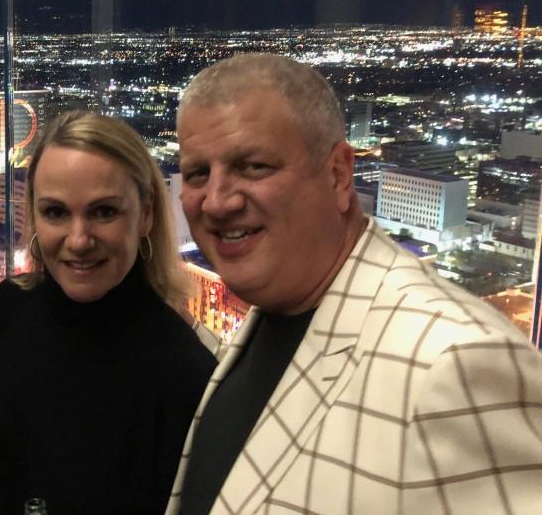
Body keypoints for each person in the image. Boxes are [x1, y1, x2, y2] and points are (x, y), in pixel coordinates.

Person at [167, 53, 542, 514]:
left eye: (253, 166)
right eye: (198, 173)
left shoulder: (456, 363)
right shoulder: (275, 313)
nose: (218, 201)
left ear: (339, 174)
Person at [0, 111, 216, 515]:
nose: (79, 240)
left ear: (146, 213)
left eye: (104, 212)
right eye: (56, 212)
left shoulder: (185, 374)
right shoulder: (6, 311)